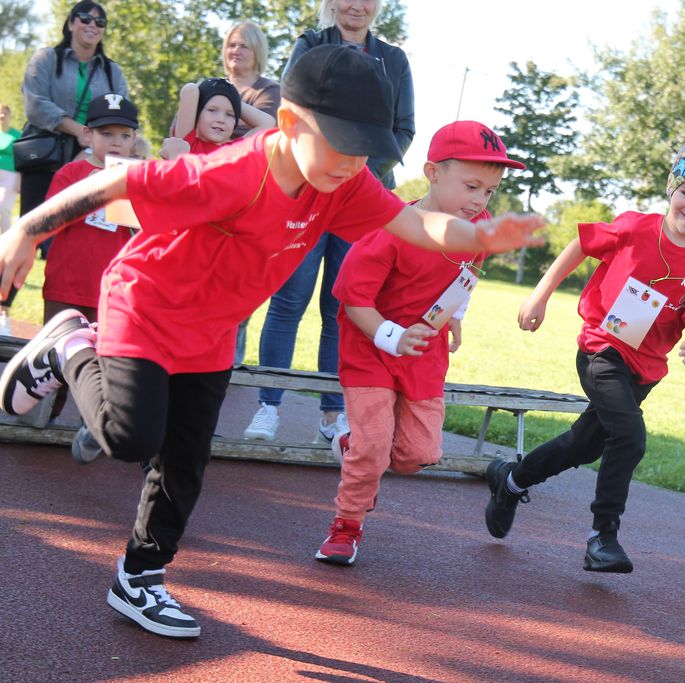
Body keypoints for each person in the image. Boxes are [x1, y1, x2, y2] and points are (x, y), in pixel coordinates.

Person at [0, 45, 542, 639]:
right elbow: (118, 179)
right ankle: (69, 345)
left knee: (185, 461)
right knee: (131, 437)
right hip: (147, 307)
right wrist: (26, 229)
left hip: (213, 330)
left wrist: (479, 236)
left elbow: (413, 223)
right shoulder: (233, 172)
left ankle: (140, 577)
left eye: (363, 150)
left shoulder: (343, 181)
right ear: (289, 123)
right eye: (339, 144)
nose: (351, 162)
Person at [484, 136, 685, 574]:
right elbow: (580, 245)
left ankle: (511, 480)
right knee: (630, 437)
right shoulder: (635, 228)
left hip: (645, 369)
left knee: (583, 445)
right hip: (602, 348)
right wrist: (540, 295)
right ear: (671, 190)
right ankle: (603, 536)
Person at [316, 120, 526, 565]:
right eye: (471, 186)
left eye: (489, 191)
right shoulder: (388, 227)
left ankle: (353, 447)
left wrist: (455, 317)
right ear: (432, 173)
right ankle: (346, 525)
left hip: (425, 348)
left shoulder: (479, 228)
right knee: (375, 447)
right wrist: (394, 337)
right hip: (371, 343)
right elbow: (354, 301)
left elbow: (469, 272)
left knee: (417, 455)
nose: (480, 201)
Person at [245, 0, 415, 443]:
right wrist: (324, 166)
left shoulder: (394, 60)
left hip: (360, 201)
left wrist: (356, 174)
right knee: (288, 301)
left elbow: (404, 130)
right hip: (307, 194)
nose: (356, 5)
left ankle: (332, 414)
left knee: (342, 308)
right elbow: (290, 113)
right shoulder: (310, 45)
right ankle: (268, 406)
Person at [40, 93, 138, 430]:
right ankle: (43, 416)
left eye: (124, 135)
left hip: (110, 292)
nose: (116, 142)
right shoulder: (71, 173)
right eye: (106, 134)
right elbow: (50, 220)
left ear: (134, 139)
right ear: (87, 135)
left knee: (103, 363)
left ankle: (94, 426)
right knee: (54, 357)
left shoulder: (134, 177)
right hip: (66, 284)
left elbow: (141, 230)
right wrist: (95, 189)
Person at [20, 0, 128, 246]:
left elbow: (121, 115)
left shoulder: (112, 71)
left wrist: (91, 144)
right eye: (85, 19)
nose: (93, 25)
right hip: (45, 153)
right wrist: (78, 130)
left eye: (100, 22)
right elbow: (35, 103)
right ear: (70, 23)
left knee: (80, 234)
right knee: (30, 230)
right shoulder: (46, 58)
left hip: (92, 156)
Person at [222, 20, 282, 363]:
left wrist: (217, 133)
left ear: (257, 50)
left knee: (238, 288)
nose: (236, 51)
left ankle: (230, 364)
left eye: (243, 45)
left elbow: (262, 137)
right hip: (208, 195)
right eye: (231, 44)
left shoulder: (268, 91)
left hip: (249, 198)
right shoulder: (210, 85)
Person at [159, 78, 274, 160]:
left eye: (230, 114)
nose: (221, 119)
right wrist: (223, 92)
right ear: (197, 113)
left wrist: (233, 99)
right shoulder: (186, 143)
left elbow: (268, 123)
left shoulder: (234, 152)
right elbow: (190, 90)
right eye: (212, 110)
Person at [0, 104, 20, 336]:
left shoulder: (16, 135)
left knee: (3, 208)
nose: (3, 116)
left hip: (11, 176)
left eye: (6, 112)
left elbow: (21, 157)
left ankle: (6, 241)